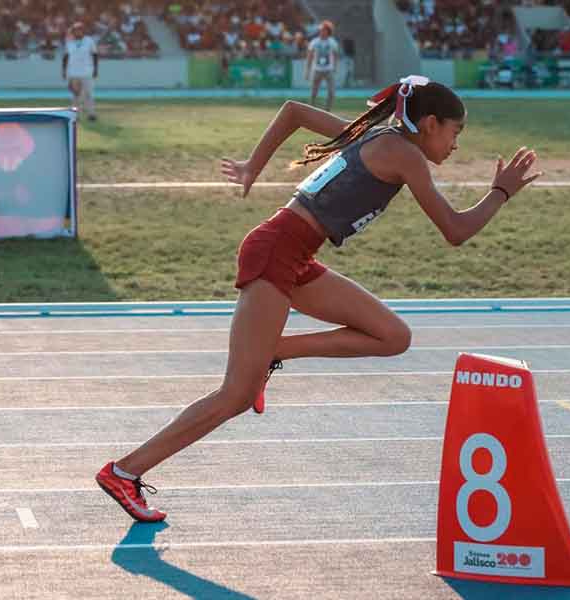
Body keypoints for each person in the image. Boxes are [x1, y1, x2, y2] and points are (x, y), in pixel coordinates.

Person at [94, 76, 542, 522]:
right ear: (429, 123)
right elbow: (455, 231)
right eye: (455, 132)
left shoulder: (377, 136)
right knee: (235, 395)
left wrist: (255, 165)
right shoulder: (403, 153)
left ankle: (277, 350)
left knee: (392, 335)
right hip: (278, 251)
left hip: (296, 255)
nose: (456, 145)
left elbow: (294, 111)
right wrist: (500, 193)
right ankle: (124, 470)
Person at [62, 22, 98, 121]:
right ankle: (75, 115)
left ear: (83, 31)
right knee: (75, 95)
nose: (78, 32)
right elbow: (65, 57)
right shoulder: (69, 42)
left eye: (80, 30)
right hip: (73, 71)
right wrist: (64, 71)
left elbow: (95, 55)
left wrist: (95, 69)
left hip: (87, 71)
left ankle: (91, 113)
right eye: (76, 30)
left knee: (88, 93)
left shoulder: (89, 41)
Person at [305, 20, 339, 111]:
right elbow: (309, 56)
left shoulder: (332, 42)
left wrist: (335, 67)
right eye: (320, 30)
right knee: (313, 92)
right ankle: (311, 108)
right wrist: (307, 70)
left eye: (323, 30)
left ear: (328, 31)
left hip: (328, 70)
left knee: (331, 92)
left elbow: (335, 55)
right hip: (317, 69)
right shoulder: (315, 42)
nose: (321, 32)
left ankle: (328, 110)